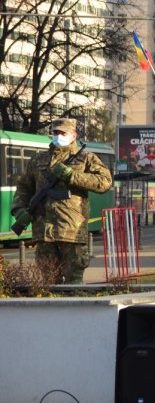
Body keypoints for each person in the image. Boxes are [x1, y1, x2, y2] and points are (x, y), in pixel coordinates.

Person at [10, 118, 113, 284]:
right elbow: (23, 187)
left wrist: (72, 176)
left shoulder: (85, 158)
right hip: (44, 232)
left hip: (71, 231)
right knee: (48, 282)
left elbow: (105, 182)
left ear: (74, 135)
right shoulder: (38, 160)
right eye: (55, 132)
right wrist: (19, 209)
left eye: (62, 133)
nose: (58, 136)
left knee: (74, 283)